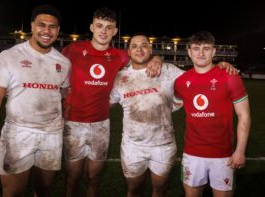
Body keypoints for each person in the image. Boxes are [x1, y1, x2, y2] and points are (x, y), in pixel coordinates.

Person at [61, 7, 162, 197]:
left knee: (93, 178)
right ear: (91, 27)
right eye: (99, 26)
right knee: (72, 178)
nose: (103, 31)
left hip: (101, 124)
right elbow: (52, 69)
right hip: (73, 123)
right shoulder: (73, 50)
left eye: (109, 27)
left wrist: (157, 58)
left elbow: (144, 57)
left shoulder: (120, 56)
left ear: (115, 31)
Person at [0, 4, 71, 196]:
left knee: (43, 189)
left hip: (51, 134)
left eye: (52, 26)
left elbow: (63, 93)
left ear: (58, 30)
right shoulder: (9, 56)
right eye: (41, 25)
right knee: (13, 192)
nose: (46, 31)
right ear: (32, 26)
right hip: (18, 133)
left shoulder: (63, 62)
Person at [173, 31, 251, 197]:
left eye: (206, 48)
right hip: (192, 154)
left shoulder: (230, 77)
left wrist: (240, 151)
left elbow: (244, 116)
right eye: (196, 48)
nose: (201, 53)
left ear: (214, 52)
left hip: (223, 155)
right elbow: (173, 102)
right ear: (189, 52)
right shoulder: (180, 81)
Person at [109, 33, 184, 197]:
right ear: (128, 52)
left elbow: (199, 79)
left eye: (144, 45)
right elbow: (103, 105)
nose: (139, 49)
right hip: (132, 146)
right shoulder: (120, 78)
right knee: (134, 190)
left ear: (150, 49)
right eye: (134, 46)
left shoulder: (168, 70)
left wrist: (220, 67)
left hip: (163, 145)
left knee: (160, 190)